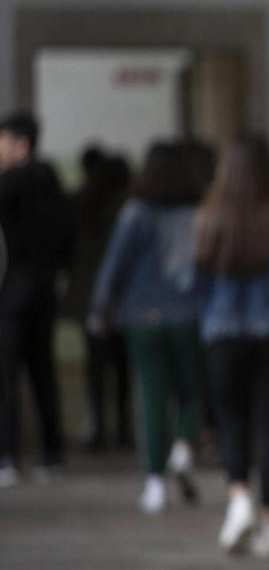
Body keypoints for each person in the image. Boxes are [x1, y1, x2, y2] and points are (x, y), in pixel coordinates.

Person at [195, 135, 269, 559]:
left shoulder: (210, 213)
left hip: (222, 334)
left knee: (231, 420)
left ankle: (239, 499)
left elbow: (197, 280)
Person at [90, 142, 204, 514]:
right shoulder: (199, 211)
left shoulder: (136, 212)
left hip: (142, 317)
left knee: (152, 398)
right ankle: (184, 448)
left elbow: (114, 265)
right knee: (193, 391)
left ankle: (154, 484)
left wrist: (100, 309)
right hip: (189, 313)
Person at [0, 112, 74, 487]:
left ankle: (8, 456)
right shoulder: (54, 182)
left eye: (3, 141)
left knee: (7, 373)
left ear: (21, 144)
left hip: (15, 286)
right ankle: (51, 454)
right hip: (46, 286)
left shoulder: (11, 182)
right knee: (43, 371)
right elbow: (68, 235)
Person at [66, 147, 133, 452]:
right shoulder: (126, 206)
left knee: (96, 365)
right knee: (121, 366)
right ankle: (121, 429)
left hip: (89, 293)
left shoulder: (80, 201)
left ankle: (100, 428)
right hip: (123, 294)